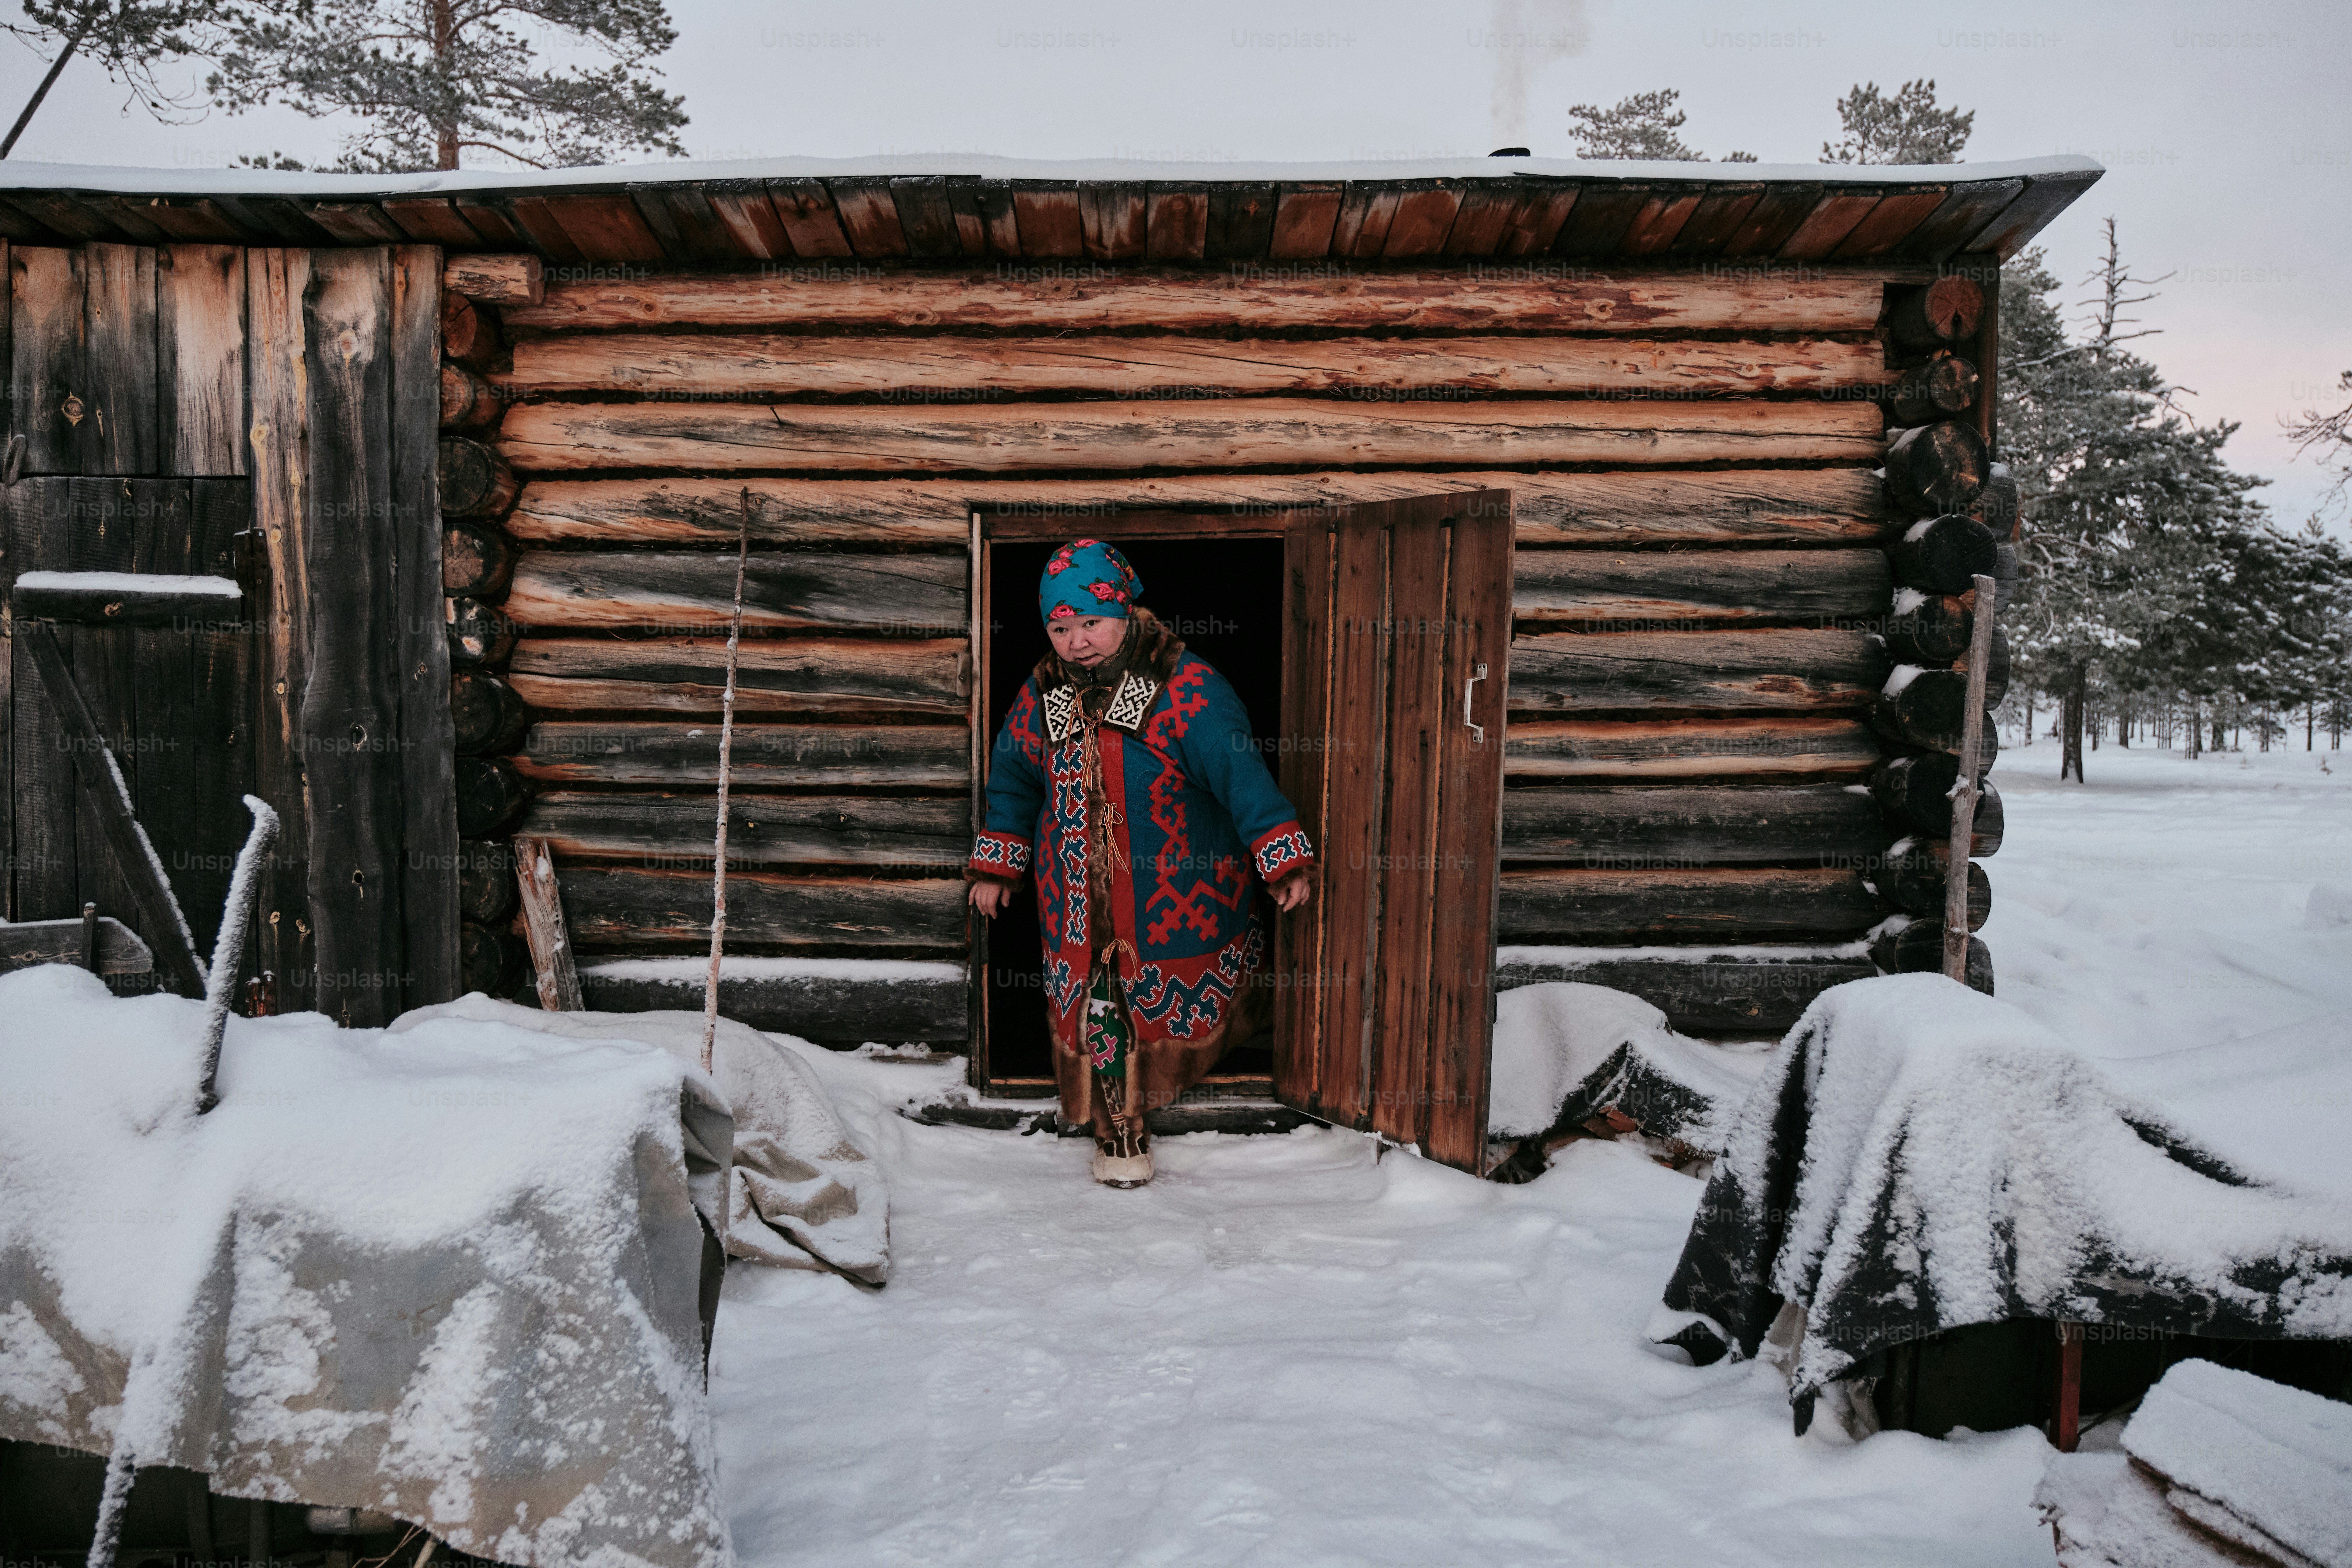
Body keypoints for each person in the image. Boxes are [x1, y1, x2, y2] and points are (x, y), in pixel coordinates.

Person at [967, 541, 1314, 1187]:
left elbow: (1240, 771)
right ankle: (1119, 1130)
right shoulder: (1044, 691)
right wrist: (997, 864)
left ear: (1125, 610)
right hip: (1074, 892)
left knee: (1170, 998)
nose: (1075, 642)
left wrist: (1280, 853)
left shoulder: (1184, 686)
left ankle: (1209, 1069)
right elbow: (1014, 777)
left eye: (1090, 623)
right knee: (1100, 1005)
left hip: (1176, 886)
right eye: (1060, 627)